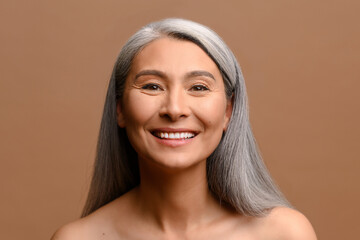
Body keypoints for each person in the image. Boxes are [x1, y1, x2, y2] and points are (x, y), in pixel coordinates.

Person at [52, 18, 317, 239]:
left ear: (228, 111)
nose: (175, 108)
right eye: (152, 86)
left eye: (198, 88)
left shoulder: (284, 234)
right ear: (119, 108)